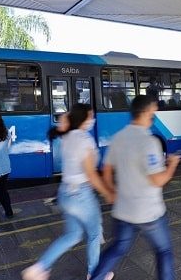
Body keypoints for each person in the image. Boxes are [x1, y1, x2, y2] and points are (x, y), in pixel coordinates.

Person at [90, 95, 181, 280]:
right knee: (163, 251)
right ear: (146, 112)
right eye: (153, 112)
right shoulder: (149, 142)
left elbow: (106, 170)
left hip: (123, 211)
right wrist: (172, 164)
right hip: (149, 212)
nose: (154, 116)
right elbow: (157, 180)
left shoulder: (118, 138)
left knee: (117, 248)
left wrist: (110, 192)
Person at [23, 104, 114, 280]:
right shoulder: (84, 139)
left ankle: (39, 268)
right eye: (91, 116)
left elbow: (63, 124)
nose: (93, 120)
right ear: (84, 118)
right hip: (81, 194)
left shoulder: (67, 137)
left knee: (72, 235)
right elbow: (91, 174)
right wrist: (107, 192)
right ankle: (95, 275)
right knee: (94, 233)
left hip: (65, 192)